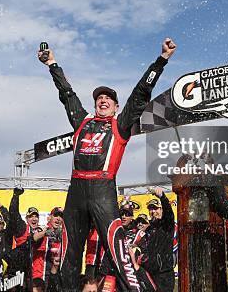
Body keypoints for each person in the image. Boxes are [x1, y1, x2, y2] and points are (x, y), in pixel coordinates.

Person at [39, 38, 177, 292]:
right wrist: (52, 64)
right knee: (70, 254)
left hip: (103, 189)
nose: (103, 100)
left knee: (117, 251)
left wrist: (162, 60)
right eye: (99, 98)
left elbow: (140, 94)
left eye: (108, 99)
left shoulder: (120, 124)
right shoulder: (82, 121)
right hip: (77, 190)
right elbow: (67, 95)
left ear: (116, 107)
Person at [137, 188, 175, 292]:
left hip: (164, 274)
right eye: (150, 209)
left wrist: (162, 197)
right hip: (149, 273)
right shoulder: (149, 228)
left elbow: (169, 213)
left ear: (161, 210)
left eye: (156, 208)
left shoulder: (167, 224)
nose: (153, 211)